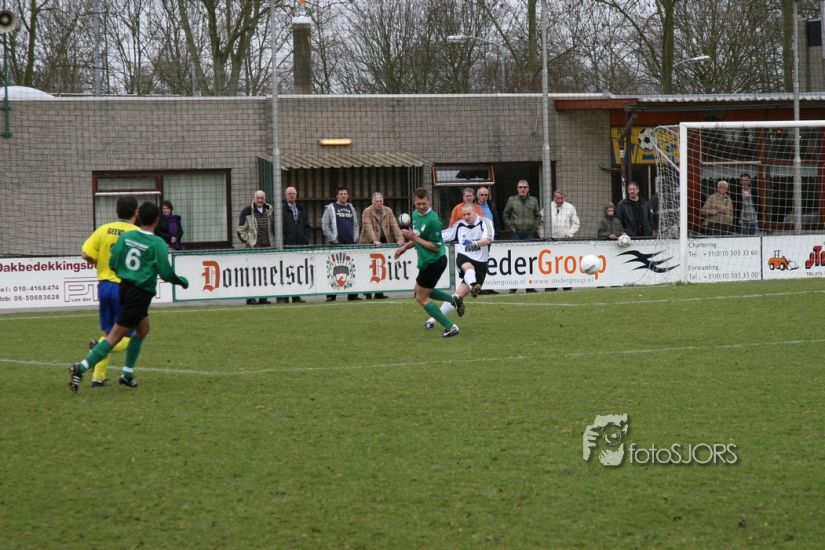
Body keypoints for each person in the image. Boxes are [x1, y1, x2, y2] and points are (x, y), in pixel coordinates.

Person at [68, 201, 189, 393]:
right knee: (115, 336)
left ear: (140, 216)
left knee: (143, 329)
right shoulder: (157, 242)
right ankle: (80, 368)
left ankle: (127, 374)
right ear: (157, 220)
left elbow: (113, 261)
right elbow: (166, 273)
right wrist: (181, 281)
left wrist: (125, 273)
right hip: (139, 293)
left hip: (124, 288)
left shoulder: (127, 236)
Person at [81, 195, 139, 388]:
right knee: (131, 336)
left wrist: (99, 264)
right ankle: (98, 348)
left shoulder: (103, 229)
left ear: (117, 210)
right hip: (124, 288)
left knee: (108, 332)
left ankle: (98, 377)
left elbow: (85, 254)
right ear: (136, 213)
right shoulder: (136, 233)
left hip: (104, 286)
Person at [394, 187, 462, 338]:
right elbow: (420, 238)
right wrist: (405, 247)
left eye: (424, 203)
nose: (421, 206)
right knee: (419, 291)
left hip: (434, 261)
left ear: (429, 201)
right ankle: (453, 300)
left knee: (421, 297)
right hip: (426, 261)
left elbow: (436, 247)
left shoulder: (433, 220)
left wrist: (413, 238)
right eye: (418, 204)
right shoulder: (414, 215)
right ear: (414, 202)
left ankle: (450, 327)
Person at [424, 203, 494, 328]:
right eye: (464, 214)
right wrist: (424, 237)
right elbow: (442, 236)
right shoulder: (459, 225)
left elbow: (488, 239)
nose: (466, 217)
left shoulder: (485, 222)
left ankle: (432, 320)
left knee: (457, 296)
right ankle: (473, 285)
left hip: (481, 264)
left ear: (475, 211)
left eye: (468, 214)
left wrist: (474, 243)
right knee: (468, 267)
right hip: (464, 257)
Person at [359, 192, 404, 299]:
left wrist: (400, 238)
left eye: (380, 201)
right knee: (369, 269)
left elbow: (394, 225)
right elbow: (368, 227)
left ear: (383, 201)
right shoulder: (367, 211)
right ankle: (368, 293)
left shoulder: (388, 211)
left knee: (381, 268)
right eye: (376, 201)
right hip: (368, 243)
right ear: (372, 202)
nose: (379, 203)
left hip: (384, 242)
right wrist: (374, 240)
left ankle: (379, 293)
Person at [322, 186, 361, 301]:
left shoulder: (351, 208)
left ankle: (353, 295)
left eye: (345, 194)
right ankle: (331, 295)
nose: (343, 196)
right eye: (341, 194)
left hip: (350, 244)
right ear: (337, 196)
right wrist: (333, 238)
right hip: (336, 244)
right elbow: (325, 225)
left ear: (348, 196)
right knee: (333, 269)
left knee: (351, 269)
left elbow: (356, 225)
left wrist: (355, 237)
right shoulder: (331, 208)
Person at [237, 190, 275, 304]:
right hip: (253, 247)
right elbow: (240, 230)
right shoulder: (247, 211)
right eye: (258, 198)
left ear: (264, 199)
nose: (260, 200)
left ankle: (263, 298)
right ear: (254, 198)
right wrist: (249, 241)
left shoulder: (269, 210)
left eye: (262, 198)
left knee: (265, 273)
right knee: (252, 273)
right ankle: (250, 298)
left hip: (267, 246)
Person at [503, 180, 540, 293]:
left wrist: (534, 227)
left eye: (525, 187)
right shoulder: (511, 200)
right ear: (517, 189)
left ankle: (529, 286)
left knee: (529, 259)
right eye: (520, 187)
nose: (522, 189)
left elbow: (538, 216)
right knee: (515, 260)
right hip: (516, 233)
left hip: (529, 233)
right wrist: (511, 227)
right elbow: (505, 214)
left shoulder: (534, 200)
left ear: (528, 189)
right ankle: (514, 286)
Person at [278, 186, 310, 303]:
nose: (292, 195)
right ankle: (284, 296)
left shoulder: (301, 209)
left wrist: (305, 239)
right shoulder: (281, 210)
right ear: (286, 196)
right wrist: (284, 240)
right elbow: (277, 227)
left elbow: (307, 226)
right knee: (286, 271)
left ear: (296, 195)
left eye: (293, 193)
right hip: (287, 245)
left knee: (297, 272)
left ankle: (296, 296)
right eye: (289, 194)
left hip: (300, 245)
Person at [475, 186, 500, 294]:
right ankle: (478, 286)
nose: (484, 197)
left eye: (486, 195)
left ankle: (486, 285)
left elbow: (496, 219)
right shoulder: (474, 206)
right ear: (477, 196)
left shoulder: (491, 205)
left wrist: (497, 233)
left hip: (489, 239)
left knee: (485, 263)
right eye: (482, 195)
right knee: (478, 263)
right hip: (478, 239)